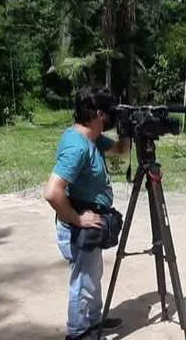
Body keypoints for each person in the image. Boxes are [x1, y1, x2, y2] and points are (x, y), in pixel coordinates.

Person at [43, 86, 131, 339]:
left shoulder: (92, 137)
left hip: (90, 222)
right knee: (83, 283)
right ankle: (79, 332)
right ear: (99, 114)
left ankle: (93, 322)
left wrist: (128, 128)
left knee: (92, 278)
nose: (113, 116)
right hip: (78, 225)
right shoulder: (78, 146)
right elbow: (52, 191)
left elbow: (121, 150)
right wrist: (78, 218)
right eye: (112, 113)